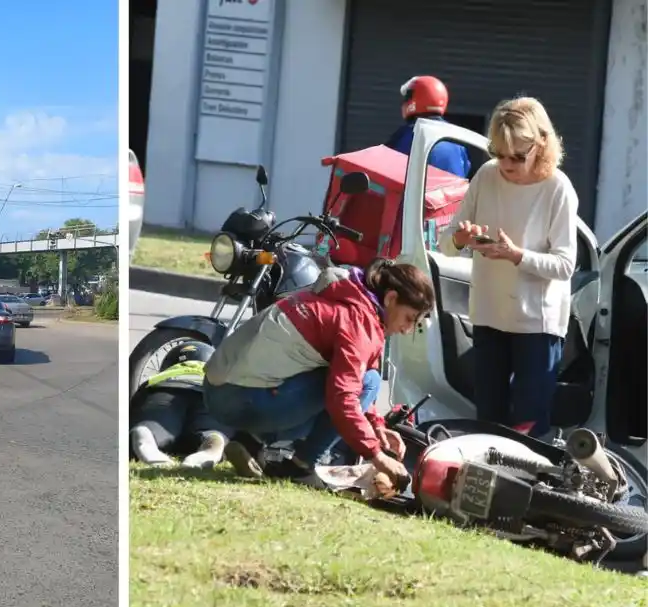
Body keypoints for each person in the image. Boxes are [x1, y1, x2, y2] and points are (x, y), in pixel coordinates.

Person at [203, 258, 436, 481]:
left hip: (218, 390)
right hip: (241, 399)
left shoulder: (347, 294)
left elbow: (358, 373)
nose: (407, 330)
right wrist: (376, 455)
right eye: (409, 319)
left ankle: (250, 442)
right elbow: (344, 397)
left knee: (366, 380)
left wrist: (377, 426)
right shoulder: (358, 320)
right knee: (364, 384)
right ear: (391, 298)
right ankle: (301, 467)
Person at [437, 96, 577, 441]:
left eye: (517, 156)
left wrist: (518, 256)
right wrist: (461, 238)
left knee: (528, 427)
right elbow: (444, 245)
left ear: (541, 145)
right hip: (488, 315)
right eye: (498, 153)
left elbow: (565, 265)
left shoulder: (557, 188)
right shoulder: (486, 176)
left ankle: (528, 489)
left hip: (537, 324)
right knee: (488, 422)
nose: (506, 164)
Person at [130, 341, 232, 469]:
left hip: (164, 388)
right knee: (213, 428)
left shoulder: (162, 375)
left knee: (155, 422)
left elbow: (135, 404)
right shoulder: (215, 375)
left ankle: (146, 433)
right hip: (210, 391)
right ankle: (213, 444)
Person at [385, 75, 471, 178]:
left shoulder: (407, 134)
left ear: (413, 101)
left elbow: (384, 168)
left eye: (407, 98)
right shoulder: (457, 140)